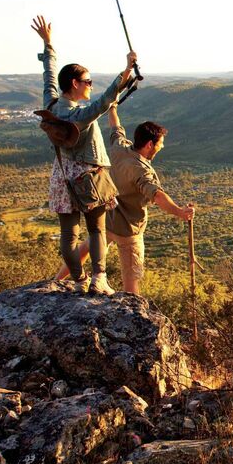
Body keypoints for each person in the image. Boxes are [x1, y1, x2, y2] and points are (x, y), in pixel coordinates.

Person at [32, 15, 136, 294]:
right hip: (90, 177)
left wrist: (48, 44)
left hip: (63, 176)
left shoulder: (51, 105)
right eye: (87, 81)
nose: (90, 85)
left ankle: (77, 281)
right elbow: (103, 103)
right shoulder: (78, 115)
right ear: (75, 84)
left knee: (69, 234)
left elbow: (49, 77)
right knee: (97, 230)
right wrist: (125, 72)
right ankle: (98, 279)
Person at [55, 105, 194, 293]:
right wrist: (180, 212)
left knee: (87, 247)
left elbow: (115, 128)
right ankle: (130, 313)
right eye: (160, 143)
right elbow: (158, 195)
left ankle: (56, 281)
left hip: (107, 220)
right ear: (149, 145)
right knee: (132, 279)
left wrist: (113, 108)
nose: (162, 147)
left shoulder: (119, 148)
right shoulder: (142, 170)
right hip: (129, 231)